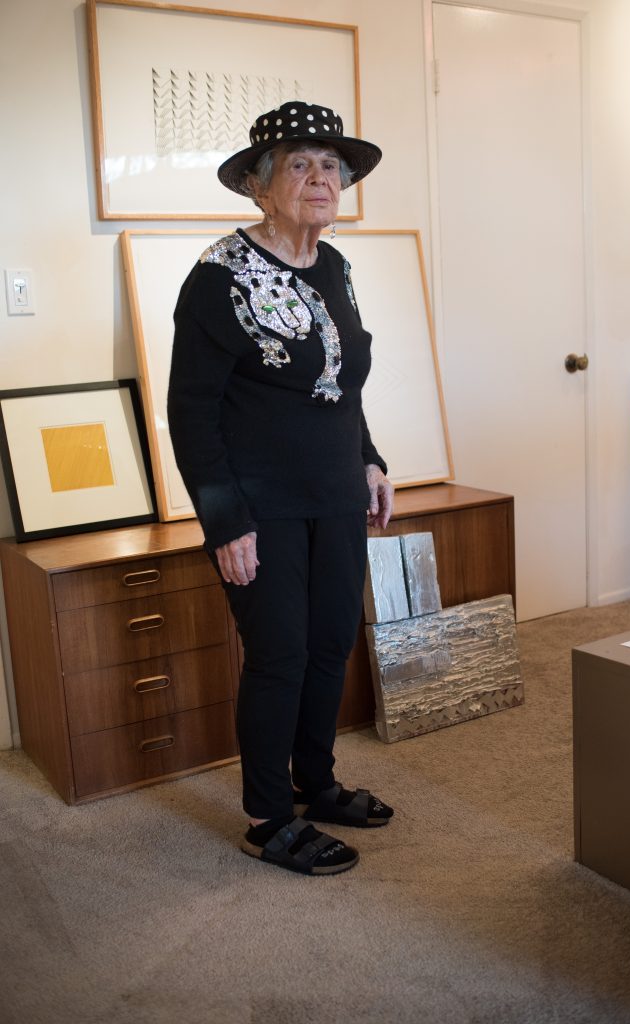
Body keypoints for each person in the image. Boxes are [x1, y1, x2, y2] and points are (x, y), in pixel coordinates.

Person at [167, 101, 394, 876]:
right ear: (260, 187)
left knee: (331, 643)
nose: (320, 178)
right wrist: (224, 519)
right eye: (299, 163)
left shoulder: (335, 266)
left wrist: (369, 459)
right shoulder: (216, 279)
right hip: (259, 506)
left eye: (330, 164)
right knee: (280, 655)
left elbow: (345, 380)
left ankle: (315, 781)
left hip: (335, 492)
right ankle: (267, 817)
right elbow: (191, 412)